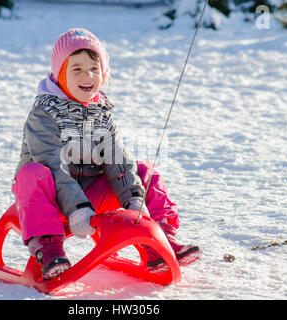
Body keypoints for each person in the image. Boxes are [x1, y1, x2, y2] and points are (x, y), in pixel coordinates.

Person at [12, 28, 201, 280]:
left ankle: (159, 242)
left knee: (144, 172)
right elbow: (53, 165)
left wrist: (134, 199)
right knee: (32, 173)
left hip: (92, 195)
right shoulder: (43, 115)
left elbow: (117, 160)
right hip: (49, 201)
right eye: (76, 69)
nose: (87, 75)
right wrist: (77, 209)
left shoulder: (101, 113)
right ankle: (49, 250)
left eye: (93, 68)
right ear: (60, 74)